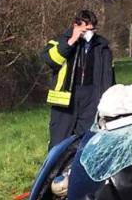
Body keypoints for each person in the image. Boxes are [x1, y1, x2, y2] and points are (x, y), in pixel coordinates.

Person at [42, 10, 114, 150]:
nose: (89, 33)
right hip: (65, 99)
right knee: (59, 141)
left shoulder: (102, 47)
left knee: (88, 140)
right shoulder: (61, 41)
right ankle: (56, 170)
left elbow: (108, 76)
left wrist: (108, 98)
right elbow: (50, 60)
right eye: (85, 30)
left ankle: (79, 168)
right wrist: (71, 41)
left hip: (91, 97)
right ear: (76, 25)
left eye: (93, 29)